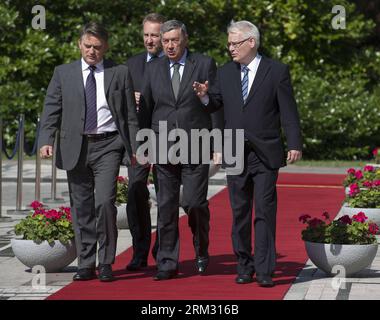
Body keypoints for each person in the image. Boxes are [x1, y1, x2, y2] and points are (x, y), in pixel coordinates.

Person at [194, 20, 302, 287]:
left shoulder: (277, 71)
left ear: (251, 42)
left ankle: (265, 269)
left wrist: (295, 143)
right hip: (235, 152)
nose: (230, 48)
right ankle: (244, 265)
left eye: (235, 43)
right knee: (240, 212)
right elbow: (216, 105)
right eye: (229, 43)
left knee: (264, 211)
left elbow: (288, 111)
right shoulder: (225, 72)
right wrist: (206, 97)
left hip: (266, 153)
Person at [38, 22, 139, 282]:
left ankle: (106, 261)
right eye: (87, 46)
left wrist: (137, 147)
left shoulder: (120, 72)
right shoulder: (64, 73)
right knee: (81, 206)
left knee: (104, 202)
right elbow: (52, 108)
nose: (92, 51)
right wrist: (45, 139)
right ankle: (86, 262)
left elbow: (129, 115)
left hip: (109, 145)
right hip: (76, 146)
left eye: (97, 47)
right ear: (79, 44)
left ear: (105, 47)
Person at [140, 20, 220, 280]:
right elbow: (147, 110)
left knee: (195, 203)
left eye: (174, 40)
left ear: (185, 39)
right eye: (166, 41)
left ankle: (201, 246)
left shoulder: (204, 64)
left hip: (195, 143)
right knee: (165, 206)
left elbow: (217, 104)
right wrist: (143, 146)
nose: (170, 45)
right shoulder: (154, 69)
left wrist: (205, 96)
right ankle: (166, 262)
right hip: (163, 146)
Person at [125, 13, 166, 272]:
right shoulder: (132, 64)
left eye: (155, 35)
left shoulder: (175, 63)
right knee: (135, 191)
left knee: (166, 196)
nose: (150, 40)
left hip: (168, 139)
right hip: (139, 139)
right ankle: (139, 250)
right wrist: (131, 98)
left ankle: (162, 250)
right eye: (147, 35)